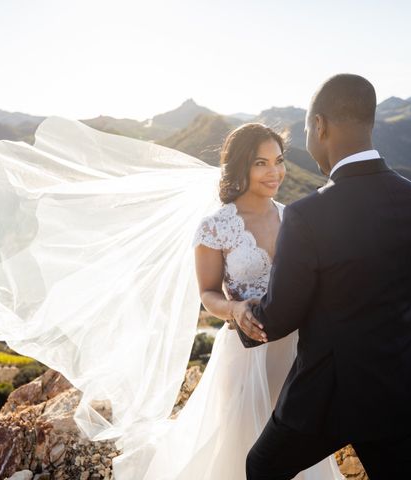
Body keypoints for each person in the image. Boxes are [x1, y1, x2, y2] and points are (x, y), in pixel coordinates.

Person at [232, 74, 411, 480]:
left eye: (308, 128)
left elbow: (278, 317)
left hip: (327, 394)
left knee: (261, 468)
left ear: (320, 126)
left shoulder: (306, 215)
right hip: (397, 382)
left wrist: (241, 311)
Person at [130, 123, 344, 479]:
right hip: (245, 354)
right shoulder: (216, 227)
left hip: (298, 351)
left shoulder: (295, 217)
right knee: (245, 448)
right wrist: (235, 308)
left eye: (278, 160)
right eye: (261, 163)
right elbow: (208, 293)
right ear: (241, 167)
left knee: (297, 446)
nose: (274, 172)